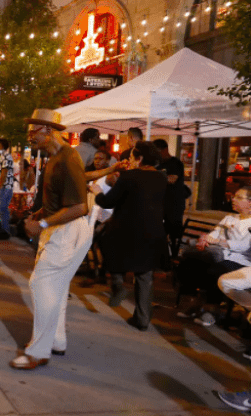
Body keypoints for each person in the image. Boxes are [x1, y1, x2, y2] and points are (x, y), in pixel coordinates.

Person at [10, 109, 91, 370]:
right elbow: (61, 198)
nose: (30, 136)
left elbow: (80, 207)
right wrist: (41, 213)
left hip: (67, 231)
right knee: (55, 288)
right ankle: (56, 341)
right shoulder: (55, 158)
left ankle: (38, 352)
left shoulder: (69, 158)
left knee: (41, 284)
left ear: (50, 131)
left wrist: (42, 223)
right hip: (60, 228)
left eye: (34, 131)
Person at [92, 141, 167, 331]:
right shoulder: (161, 178)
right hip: (153, 231)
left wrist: (98, 192)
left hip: (126, 230)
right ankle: (142, 319)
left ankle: (118, 285)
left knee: (107, 246)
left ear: (139, 158)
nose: (130, 160)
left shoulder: (129, 176)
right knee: (145, 274)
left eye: (132, 156)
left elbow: (109, 202)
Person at [174, 187, 251, 326]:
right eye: (234, 196)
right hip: (217, 254)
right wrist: (206, 239)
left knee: (215, 270)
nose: (233, 200)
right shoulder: (230, 217)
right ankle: (193, 303)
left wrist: (219, 242)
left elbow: (244, 246)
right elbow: (214, 234)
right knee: (188, 264)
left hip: (239, 260)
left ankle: (211, 310)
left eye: (239, 197)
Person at [154, 139, 187, 259]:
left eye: (157, 152)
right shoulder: (158, 164)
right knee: (160, 232)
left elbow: (172, 179)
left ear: (164, 150)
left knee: (174, 234)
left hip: (174, 204)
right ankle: (161, 257)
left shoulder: (176, 163)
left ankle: (173, 257)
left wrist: (155, 175)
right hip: (160, 203)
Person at [0, 138, 14, 240]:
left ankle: (5, 231)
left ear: (1, 145)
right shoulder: (0, 156)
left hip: (4, 187)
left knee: (2, 209)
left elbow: (4, 172)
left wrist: (0, 185)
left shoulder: (6, 156)